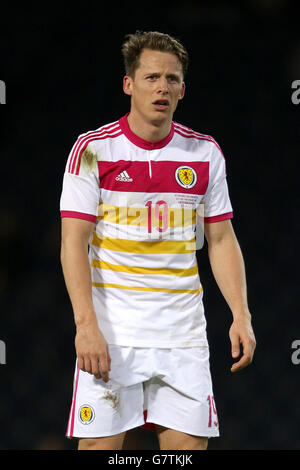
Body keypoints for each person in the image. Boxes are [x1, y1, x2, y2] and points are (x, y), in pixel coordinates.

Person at [60, 30, 256, 451]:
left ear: (183, 89)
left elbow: (221, 239)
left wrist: (241, 313)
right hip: (113, 335)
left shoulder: (204, 154)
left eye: (171, 79)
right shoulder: (93, 150)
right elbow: (73, 243)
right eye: (151, 77)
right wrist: (85, 326)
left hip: (181, 338)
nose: (161, 87)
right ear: (128, 84)